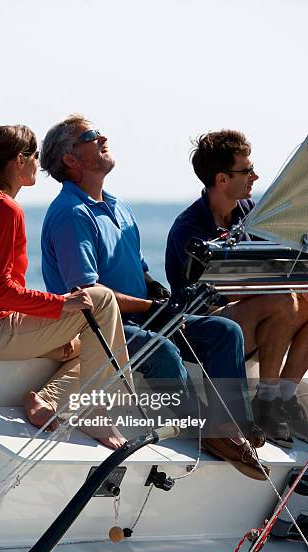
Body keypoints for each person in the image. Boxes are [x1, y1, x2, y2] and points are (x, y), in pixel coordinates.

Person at [38, 114, 270, 481]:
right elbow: (89, 294)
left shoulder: (117, 206)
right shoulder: (71, 214)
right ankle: (208, 431)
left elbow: (137, 270)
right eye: (92, 136)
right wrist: (153, 306)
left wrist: (155, 290)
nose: (104, 137)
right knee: (162, 350)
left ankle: (231, 425)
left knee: (224, 331)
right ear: (70, 159)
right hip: (98, 326)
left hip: (139, 313)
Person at [0, 124, 131, 450]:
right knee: (100, 300)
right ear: (20, 160)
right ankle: (98, 415)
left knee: (87, 345)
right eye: (34, 156)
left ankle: (44, 399)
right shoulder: (4, 208)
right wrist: (61, 305)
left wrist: (58, 307)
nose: (39, 165)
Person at [166, 129, 308, 447]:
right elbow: (220, 295)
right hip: (202, 331)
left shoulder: (247, 213)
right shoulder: (189, 228)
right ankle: (266, 404)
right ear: (222, 179)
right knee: (284, 300)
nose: (255, 176)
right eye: (246, 170)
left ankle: (284, 396)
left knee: (301, 300)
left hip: (246, 319)